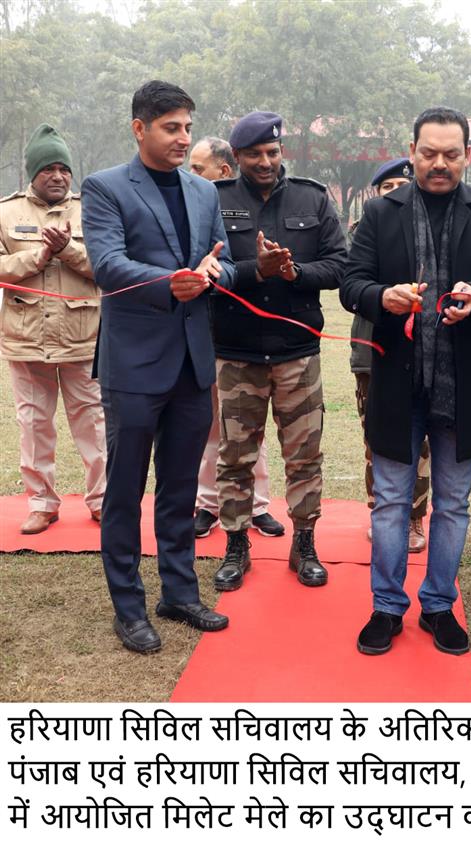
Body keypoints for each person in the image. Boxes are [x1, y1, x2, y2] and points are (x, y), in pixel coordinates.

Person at [340, 106, 471, 656]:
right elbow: (351, 284)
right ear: (412, 152)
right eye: (428, 153)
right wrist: (383, 297)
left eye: (450, 154)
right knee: (391, 502)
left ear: (468, 156)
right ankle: (386, 606)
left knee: (454, 503)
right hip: (398, 380)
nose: (439, 164)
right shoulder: (381, 212)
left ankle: (439, 604)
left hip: (462, 382)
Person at [81, 80, 236, 653]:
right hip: (134, 366)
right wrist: (171, 281)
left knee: (180, 488)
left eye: (188, 127)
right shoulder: (104, 188)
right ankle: (128, 608)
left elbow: (225, 260)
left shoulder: (204, 191)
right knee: (124, 491)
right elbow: (107, 264)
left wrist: (217, 274)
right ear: (139, 128)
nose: (183, 138)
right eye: (171, 127)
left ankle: (179, 593)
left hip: (193, 365)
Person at [211, 111, 347, 592]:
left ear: (281, 151)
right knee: (235, 457)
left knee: (305, 457)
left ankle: (304, 543)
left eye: (272, 152)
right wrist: (257, 269)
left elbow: (339, 266)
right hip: (238, 353)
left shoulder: (313, 197)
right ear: (237, 156)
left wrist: (295, 273)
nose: (265, 162)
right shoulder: (215, 199)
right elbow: (205, 268)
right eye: (254, 155)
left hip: (297, 353)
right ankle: (235, 545)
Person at [0, 124, 106, 534]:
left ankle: (102, 500)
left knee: (93, 423)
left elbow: (107, 267)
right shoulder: (6, 213)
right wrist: (39, 256)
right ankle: (42, 503)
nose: (58, 176)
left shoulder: (92, 210)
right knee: (34, 425)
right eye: (48, 168)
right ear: (33, 172)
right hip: (26, 340)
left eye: (64, 169)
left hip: (83, 337)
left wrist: (69, 250)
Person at [188, 136, 282, 540]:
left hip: (245, 333)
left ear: (223, 170)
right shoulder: (191, 207)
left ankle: (257, 505)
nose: (190, 174)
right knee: (211, 424)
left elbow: (247, 267)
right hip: (202, 330)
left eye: (198, 168)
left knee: (249, 425)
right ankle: (208, 503)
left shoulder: (245, 206)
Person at [350, 157, 430, 554]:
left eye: (403, 185)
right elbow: (351, 286)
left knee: (422, 442)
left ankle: (414, 516)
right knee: (377, 438)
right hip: (373, 353)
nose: (397, 193)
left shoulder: (429, 232)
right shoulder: (366, 231)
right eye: (388, 188)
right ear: (376, 195)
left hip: (423, 354)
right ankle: (381, 510)